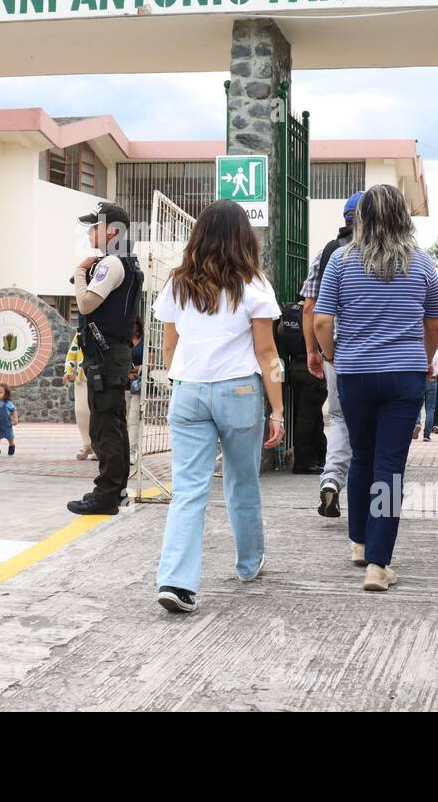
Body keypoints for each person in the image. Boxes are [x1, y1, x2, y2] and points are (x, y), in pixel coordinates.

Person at [152, 200, 284, 613]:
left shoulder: (178, 283)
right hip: (239, 393)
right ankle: (248, 564)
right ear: (244, 237)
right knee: (241, 482)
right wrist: (277, 410)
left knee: (188, 490)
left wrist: (181, 380)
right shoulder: (255, 285)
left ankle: (177, 582)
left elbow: (169, 346)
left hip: (188, 390)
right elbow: (268, 354)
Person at [313, 184, 438, 591]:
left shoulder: (341, 263)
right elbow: (434, 324)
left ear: (362, 219)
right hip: (403, 376)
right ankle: (378, 563)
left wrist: (334, 354)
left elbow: (320, 320)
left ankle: (358, 542)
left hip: (354, 375)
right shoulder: (423, 265)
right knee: (390, 467)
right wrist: (421, 359)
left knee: (361, 456)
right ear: (403, 218)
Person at [66, 203, 143, 516]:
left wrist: (79, 272)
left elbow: (85, 304)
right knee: (114, 424)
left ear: (113, 231)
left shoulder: (111, 263)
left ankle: (105, 496)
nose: (89, 232)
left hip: (106, 353)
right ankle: (117, 490)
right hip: (112, 352)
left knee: (104, 426)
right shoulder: (123, 262)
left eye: (94, 226)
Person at [300, 191, 361, 517]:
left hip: (339, 353)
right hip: (391, 360)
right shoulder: (403, 254)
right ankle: (381, 513)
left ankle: (332, 481)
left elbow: (311, 308)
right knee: (384, 435)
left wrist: (316, 351)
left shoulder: (329, 252)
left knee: (339, 420)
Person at [279, 295, 327, 474]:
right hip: (312, 367)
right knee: (308, 419)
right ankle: (303, 462)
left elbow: (281, 336)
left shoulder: (291, 313)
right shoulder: (315, 312)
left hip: (294, 368)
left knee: (305, 416)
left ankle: (315, 458)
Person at [62, 332, 95, 461]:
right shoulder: (80, 334)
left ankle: (97, 447)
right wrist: (68, 371)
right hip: (82, 377)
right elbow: (72, 353)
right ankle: (86, 444)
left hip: (99, 376)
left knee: (96, 413)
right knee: (81, 412)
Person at [127, 316, 144, 465]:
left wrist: (132, 370)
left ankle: (132, 452)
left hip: (138, 386)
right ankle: (122, 450)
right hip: (123, 385)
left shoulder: (145, 342)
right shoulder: (123, 341)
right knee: (122, 420)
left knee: (133, 420)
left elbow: (148, 364)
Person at [421, 344, 438, 442]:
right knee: (430, 408)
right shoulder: (436, 352)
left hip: (420, 379)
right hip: (432, 380)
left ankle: (417, 423)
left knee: (417, 405)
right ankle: (426, 434)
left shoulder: (420, 348)